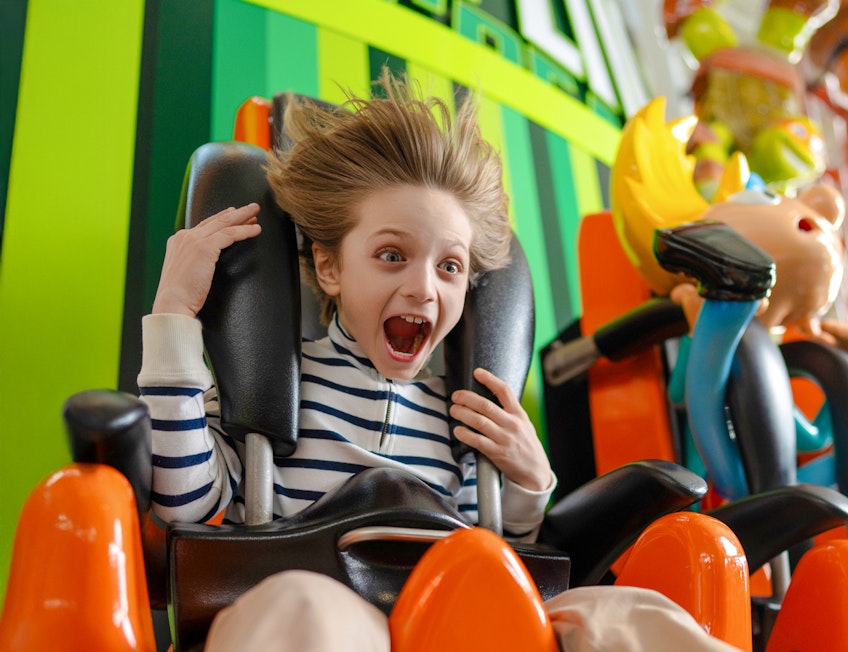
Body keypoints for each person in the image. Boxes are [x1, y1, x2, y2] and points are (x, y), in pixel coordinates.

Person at [140, 69, 743, 652]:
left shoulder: (462, 421)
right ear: (330, 267)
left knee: (626, 613)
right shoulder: (270, 391)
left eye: (449, 266)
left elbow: (503, 549)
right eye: (392, 255)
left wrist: (530, 480)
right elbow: (185, 505)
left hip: (450, 615)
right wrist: (173, 315)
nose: (424, 289)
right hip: (322, 608)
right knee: (305, 605)